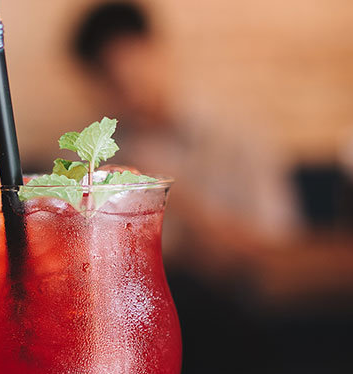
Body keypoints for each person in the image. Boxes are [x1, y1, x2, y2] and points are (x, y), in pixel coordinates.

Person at [70, 2, 301, 273]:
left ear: (157, 51)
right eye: (113, 83)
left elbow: (279, 251)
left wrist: (177, 202)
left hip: (230, 294)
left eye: (133, 74)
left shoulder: (236, 139)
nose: (131, 92)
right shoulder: (95, 156)